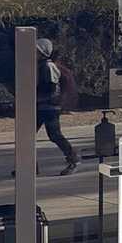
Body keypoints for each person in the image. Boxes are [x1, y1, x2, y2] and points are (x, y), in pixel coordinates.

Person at [36, 38, 79, 175]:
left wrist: (36, 97)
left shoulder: (48, 67)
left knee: (55, 135)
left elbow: (51, 89)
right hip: (41, 107)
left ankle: (73, 160)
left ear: (42, 52)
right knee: (28, 136)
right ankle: (29, 165)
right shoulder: (40, 65)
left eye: (36, 51)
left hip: (49, 108)